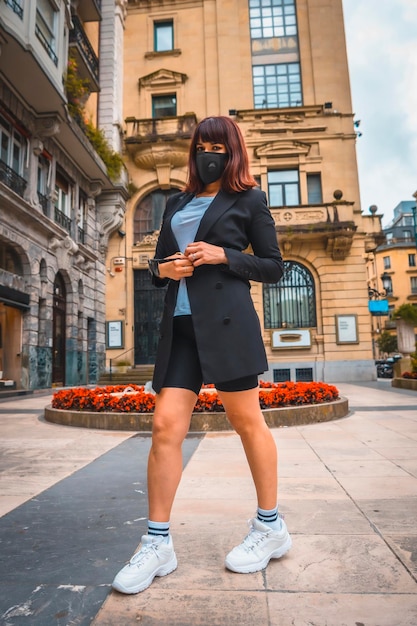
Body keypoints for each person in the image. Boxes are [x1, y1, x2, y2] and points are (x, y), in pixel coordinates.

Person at [112, 116, 292, 595]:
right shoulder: (176, 201)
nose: (207, 153)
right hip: (181, 327)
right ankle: (157, 543)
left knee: (247, 422)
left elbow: (274, 266)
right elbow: (160, 264)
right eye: (201, 146)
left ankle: (270, 526)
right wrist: (163, 269)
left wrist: (223, 256)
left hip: (229, 326)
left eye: (217, 146)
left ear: (231, 151)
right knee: (165, 425)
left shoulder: (248, 198)